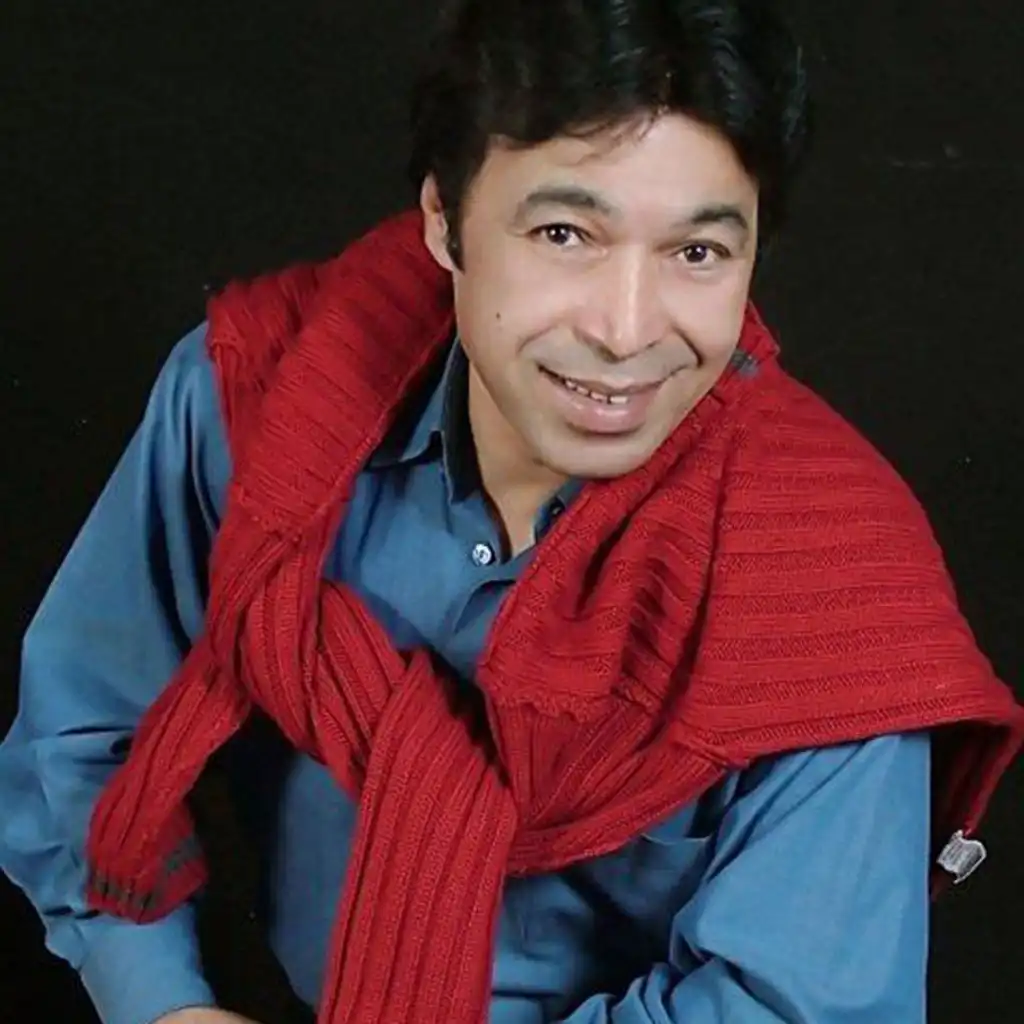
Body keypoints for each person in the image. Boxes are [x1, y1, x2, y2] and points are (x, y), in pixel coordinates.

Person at [2, 1, 1022, 1023]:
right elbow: (82, 730)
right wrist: (164, 1006)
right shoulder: (261, 404)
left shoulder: (838, 594)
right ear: (443, 221)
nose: (626, 331)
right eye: (565, 234)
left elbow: (792, 1008)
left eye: (698, 253)